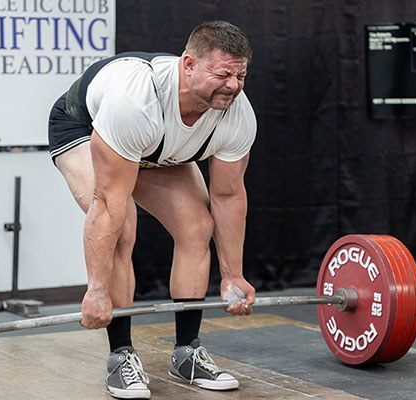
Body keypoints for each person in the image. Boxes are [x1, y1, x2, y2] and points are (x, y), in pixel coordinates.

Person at [48, 20, 257, 399]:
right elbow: (108, 205)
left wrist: (233, 275)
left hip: (158, 145)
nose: (233, 86)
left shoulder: (236, 113)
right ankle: (120, 356)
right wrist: (96, 290)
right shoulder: (134, 101)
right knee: (123, 224)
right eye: (224, 74)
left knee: (197, 226)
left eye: (240, 75)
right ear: (189, 64)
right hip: (85, 126)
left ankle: (187, 353)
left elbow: (228, 196)